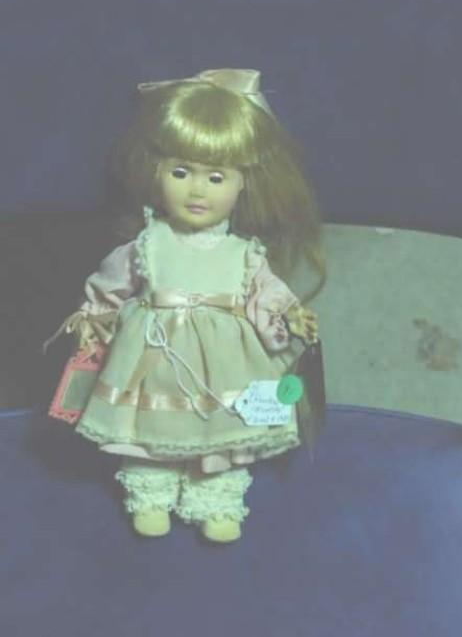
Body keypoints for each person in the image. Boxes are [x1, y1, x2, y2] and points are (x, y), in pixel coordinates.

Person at [49, 68, 325, 543]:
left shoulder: (244, 253)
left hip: (226, 366)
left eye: (216, 177)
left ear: (242, 183)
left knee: (221, 433)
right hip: (152, 360)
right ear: (156, 172)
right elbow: (108, 286)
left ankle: (215, 498)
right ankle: (150, 492)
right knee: (146, 428)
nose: (197, 190)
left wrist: (289, 315)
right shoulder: (147, 245)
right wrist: (93, 320)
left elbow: (267, 295)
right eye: (181, 172)